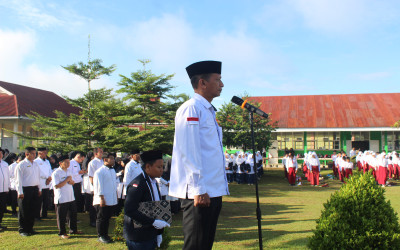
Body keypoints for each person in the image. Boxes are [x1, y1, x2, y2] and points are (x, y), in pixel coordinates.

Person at [169, 60, 229, 250]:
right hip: (200, 192)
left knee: (205, 244)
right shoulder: (191, 108)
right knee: (195, 245)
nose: (222, 84)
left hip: (211, 190)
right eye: (218, 80)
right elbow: (189, 151)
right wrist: (198, 188)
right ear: (202, 83)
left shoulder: (208, 111)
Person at [124, 150, 170, 249]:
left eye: (162, 166)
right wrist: (153, 222)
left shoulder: (153, 182)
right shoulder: (138, 184)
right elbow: (129, 210)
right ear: (148, 167)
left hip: (150, 233)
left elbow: (156, 205)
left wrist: (159, 233)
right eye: (159, 167)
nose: (162, 170)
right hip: (139, 236)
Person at [52, 155, 82, 239]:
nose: (69, 164)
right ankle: (62, 232)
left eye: (69, 162)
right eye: (67, 162)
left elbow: (72, 182)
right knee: (61, 216)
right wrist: (66, 180)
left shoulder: (69, 171)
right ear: (60, 163)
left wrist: (71, 181)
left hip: (70, 196)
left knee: (72, 215)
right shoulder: (56, 173)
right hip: (61, 197)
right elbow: (57, 185)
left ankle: (73, 229)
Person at [15, 147, 42, 236]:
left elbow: (38, 177)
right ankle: (23, 229)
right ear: (27, 154)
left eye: (35, 153)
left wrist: (39, 188)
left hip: (34, 189)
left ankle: (30, 228)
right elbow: (18, 180)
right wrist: (20, 192)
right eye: (33, 154)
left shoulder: (36, 164)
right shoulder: (21, 165)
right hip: (25, 189)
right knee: (24, 210)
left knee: (32, 209)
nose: (35, 155)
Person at [93, 152, 118, 244]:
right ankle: (100, 235)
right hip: (102, 199)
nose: (113, 160)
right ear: (105, 160)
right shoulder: (100, 171)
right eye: (111, 158)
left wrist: (115, 195)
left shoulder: (112, 170)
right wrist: (101, 198)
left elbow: (113, 184)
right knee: (101, 218)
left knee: (107, 218)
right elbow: (98, 186)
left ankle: (105, 234)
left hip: (111, 198)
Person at [34, 147, 52, 220]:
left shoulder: (47, 161)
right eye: (44, 152)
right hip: (40, 182)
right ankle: (37, 215)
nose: (46, 154)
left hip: (47, 183)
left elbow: (50, 170)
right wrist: (46, 177)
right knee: (39, 200)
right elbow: (38, 172)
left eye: (46, 152)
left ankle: (44, 214)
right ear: (39, 153)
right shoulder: (36, 162)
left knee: (46, 200)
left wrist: (49, 177)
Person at [87, 148, 104, 227]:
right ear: (96, 154)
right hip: (95, 187)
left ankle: (100, 218)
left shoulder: (103, 161)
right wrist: (95, 186)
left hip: (103, 186)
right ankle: (92, 221)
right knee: (93, 205)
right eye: (100, 152)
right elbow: (91, 176)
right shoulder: (92, 163)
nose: (102, 153)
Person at [7, 153, 20, 217]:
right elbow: (8, 176)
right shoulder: (12, 166)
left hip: (20, 185)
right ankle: (14, 211)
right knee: (14, 200)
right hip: (13, 185)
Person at [0, 147, 10, 231]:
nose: (1, 155)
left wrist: (7, 187)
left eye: (1, 153)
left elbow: (7, 176)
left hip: (3, 190)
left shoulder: (5, 164)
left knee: (2, 207)